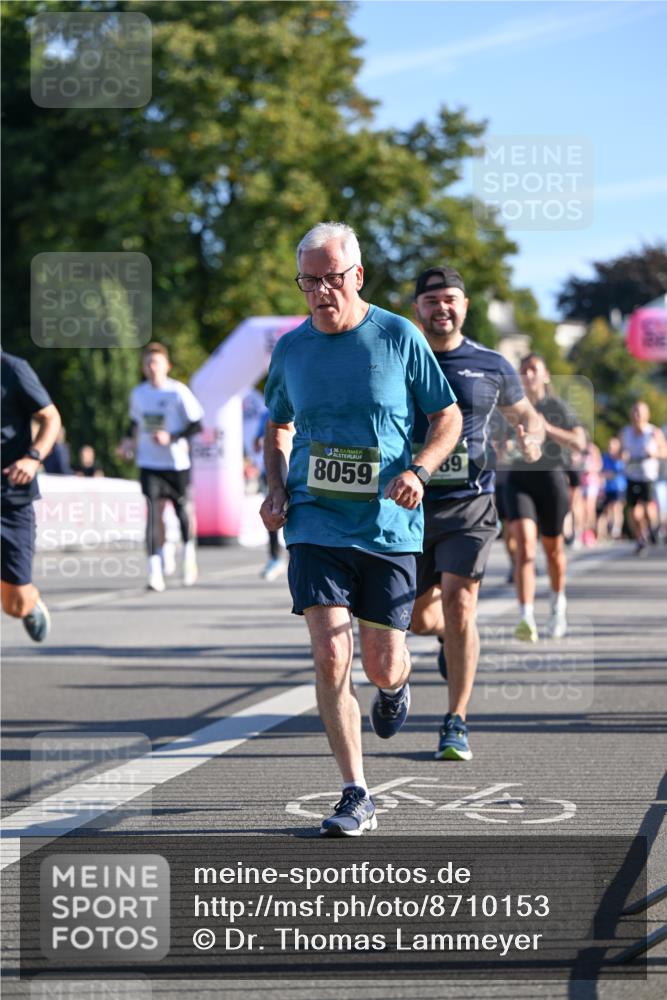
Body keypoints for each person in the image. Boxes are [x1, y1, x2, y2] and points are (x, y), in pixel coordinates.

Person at [260, 222, 462, 836]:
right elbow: (276, 426)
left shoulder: (398, 337)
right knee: (330, 654)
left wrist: (422, 471)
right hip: (315, 522)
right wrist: (274, 486)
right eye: (309, 281)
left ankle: (396, 686)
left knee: (380, 662)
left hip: (389, 527)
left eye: (331, 278)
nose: (321, 291)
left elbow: (446, 416)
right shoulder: (292, 349)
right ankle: (355, 792)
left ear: (357, 277)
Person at [409, 267, 544, 762]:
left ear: (464, 306)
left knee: (461, 604)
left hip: (469, 502)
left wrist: (531, 436)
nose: (441, 308)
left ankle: (456, 719)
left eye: (450, 299)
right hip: (409, 504)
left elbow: (525, 414)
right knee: (420, 621)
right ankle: (445, 636)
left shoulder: (491, 363)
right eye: (430, 301)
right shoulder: (400, 358)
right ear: (417, 309)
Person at [506, 354, 586, 642]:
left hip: (551, 480)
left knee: (553, 551)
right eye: (523, 370)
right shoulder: (510, 406)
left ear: (546, 375)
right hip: (518, 481)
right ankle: (526, 616)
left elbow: (580, 442)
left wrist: (545, 428)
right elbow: (497, 446)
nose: (528, 375)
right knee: (525, 547)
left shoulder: (556, 406)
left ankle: (557, 607)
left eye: (533, 369)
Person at [120, 342, 204, 591]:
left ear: (167, 366)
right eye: (147, 363)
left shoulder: (178, 392)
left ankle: (188, 556)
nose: (152, 367)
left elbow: (197, 425)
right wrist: (127, 442)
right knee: (153, 513)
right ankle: (154, 569)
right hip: (149, 462)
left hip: (176, 463)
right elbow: (134, 423)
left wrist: (172, 436)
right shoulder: (138, 393)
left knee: (181, 513)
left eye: (156, 363)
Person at [1, 352, 62, 641]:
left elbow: (51, 417)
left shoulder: (14, 369)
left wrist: (33, 458)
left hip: (10, 499)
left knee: (15, 603)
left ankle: (28, 600)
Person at [620, 401, 666, 555]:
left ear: (647, 415)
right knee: (633, 512)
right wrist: (621, 455)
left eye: (639, 412)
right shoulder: (625, 432)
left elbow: (665, 452)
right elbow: (619, 452)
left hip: (648, 476)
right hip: (631, 475)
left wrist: (654, 454)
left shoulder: (653, 432)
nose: (636, 415)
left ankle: (653, 527)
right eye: (634, 412)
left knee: (647, 509)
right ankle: (640, 538)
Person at [254, 407, 287, 581]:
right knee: (273, 513)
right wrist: (260, 441)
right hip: (273, 474)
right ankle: (275, 558)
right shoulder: (269, 412)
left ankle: (295, 556)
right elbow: (258, 440)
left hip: (298, 473)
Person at [599, 436, 626, 541]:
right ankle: (609, 529)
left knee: (617, 507)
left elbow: (621, 470)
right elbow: (602, 471)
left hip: (619, 486)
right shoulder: (605, 457)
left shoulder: (620, 457)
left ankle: (617, 529)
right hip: (608, 487)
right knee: (608, 509)